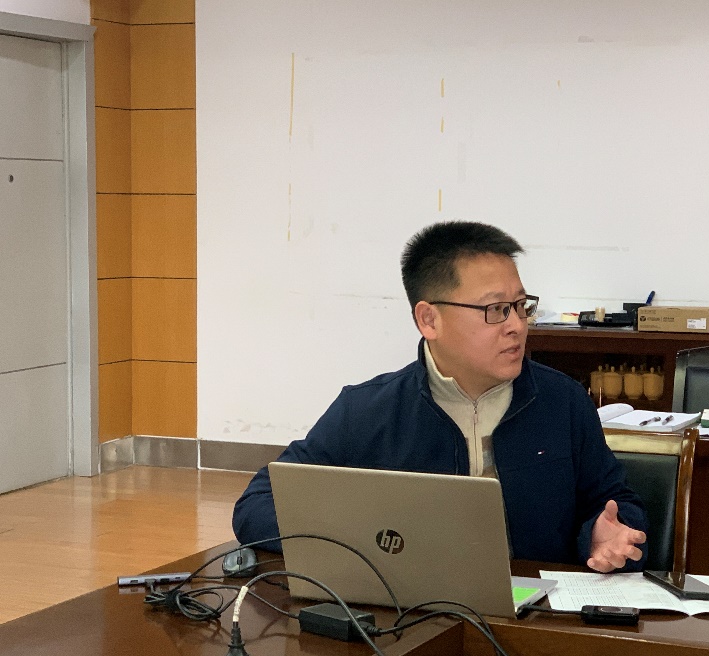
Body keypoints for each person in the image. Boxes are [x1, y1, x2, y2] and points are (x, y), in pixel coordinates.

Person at [232, 221, 648, 572]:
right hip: (411, 612)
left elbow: (618, 504)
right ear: (429, 319)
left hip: (535, 613)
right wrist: (356, 537)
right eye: (496, 309)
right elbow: (257, 504)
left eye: (522, 306)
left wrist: (600, 535)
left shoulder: (563, 402)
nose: (517, 325)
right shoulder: (367, 411)